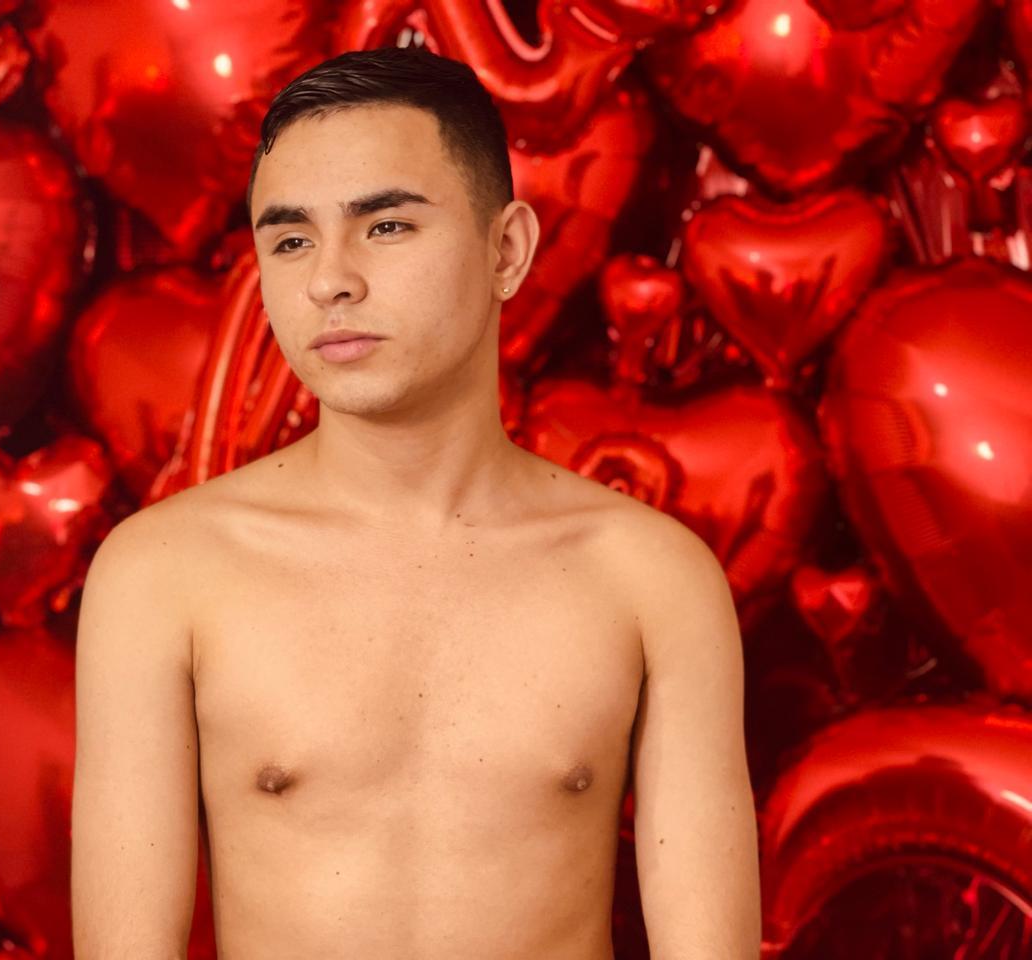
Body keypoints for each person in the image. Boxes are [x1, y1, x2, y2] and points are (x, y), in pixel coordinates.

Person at [70, 45, 760, 960]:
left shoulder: (650, 579)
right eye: (290, 240)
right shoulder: (162, 575)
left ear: (506, 249)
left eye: (386, 226)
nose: (330, 280)